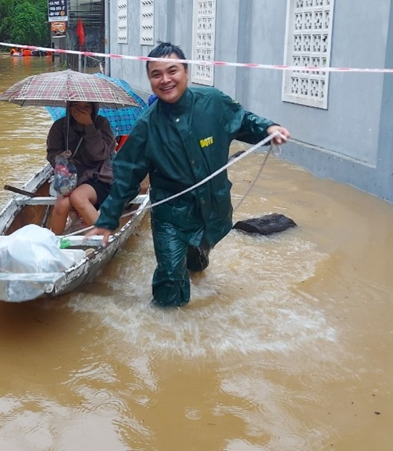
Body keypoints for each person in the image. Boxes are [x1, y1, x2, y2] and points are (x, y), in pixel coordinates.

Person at [87, 43, 291, 308]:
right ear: (150, 80)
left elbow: (242, 120)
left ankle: (196, 260)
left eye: (172, 71)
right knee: (170, 277)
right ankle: (168, 329)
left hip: (213, 208)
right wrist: (107, 219)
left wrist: (268, 129)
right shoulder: (146, 127)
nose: (165, 80)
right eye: (156, 74)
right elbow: (126, 175)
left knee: (197, 261)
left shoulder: (213, 102)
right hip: (170, 214)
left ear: (186, 71)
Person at [46, 101, 116, 235]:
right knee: (61, 204)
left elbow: (99, 154)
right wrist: (60, 157)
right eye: (76, 106)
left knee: (78, 197)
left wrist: (89, 126)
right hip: (70, 179)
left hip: (99, 177)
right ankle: (53, 242)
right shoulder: (60, 126)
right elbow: (51, 154)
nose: (81, 110)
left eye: (86, 107)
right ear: (69, 107)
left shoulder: (101, 124)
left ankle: (103, 237)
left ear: (93, 109)